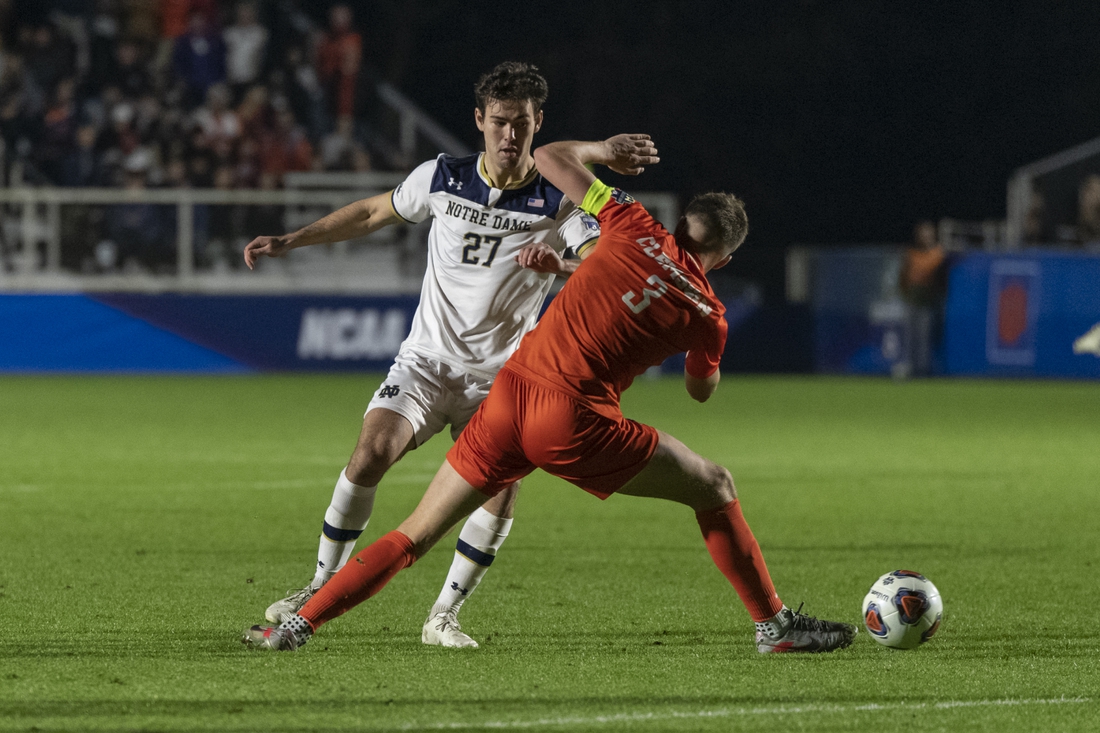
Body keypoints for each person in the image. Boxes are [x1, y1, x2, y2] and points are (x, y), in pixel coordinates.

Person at [243, 133, 858, 655]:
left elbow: (547, 156)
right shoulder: (708, 312)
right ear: (721, 260)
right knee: (715, 486)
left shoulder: (628, 222)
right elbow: (701, 389)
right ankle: (774, 625)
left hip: (508, 396)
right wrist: (700, 351)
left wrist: (604, 150)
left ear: (676, 223)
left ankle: (297, 625)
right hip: (573, 421)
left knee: (416, 532)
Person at [242, 62, 600, 648]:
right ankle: (320, 584)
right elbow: (370, 213)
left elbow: (605, 261)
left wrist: (560, 264)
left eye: (524, 125)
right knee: (369, 453)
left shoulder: (561, 200)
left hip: (504, 377)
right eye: (502, 122)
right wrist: (292, 239)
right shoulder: (441, 177)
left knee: (501, 486)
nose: (511, 136)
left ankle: (444, 616)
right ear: (480, 120)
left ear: (540, 125)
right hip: (426, 363)